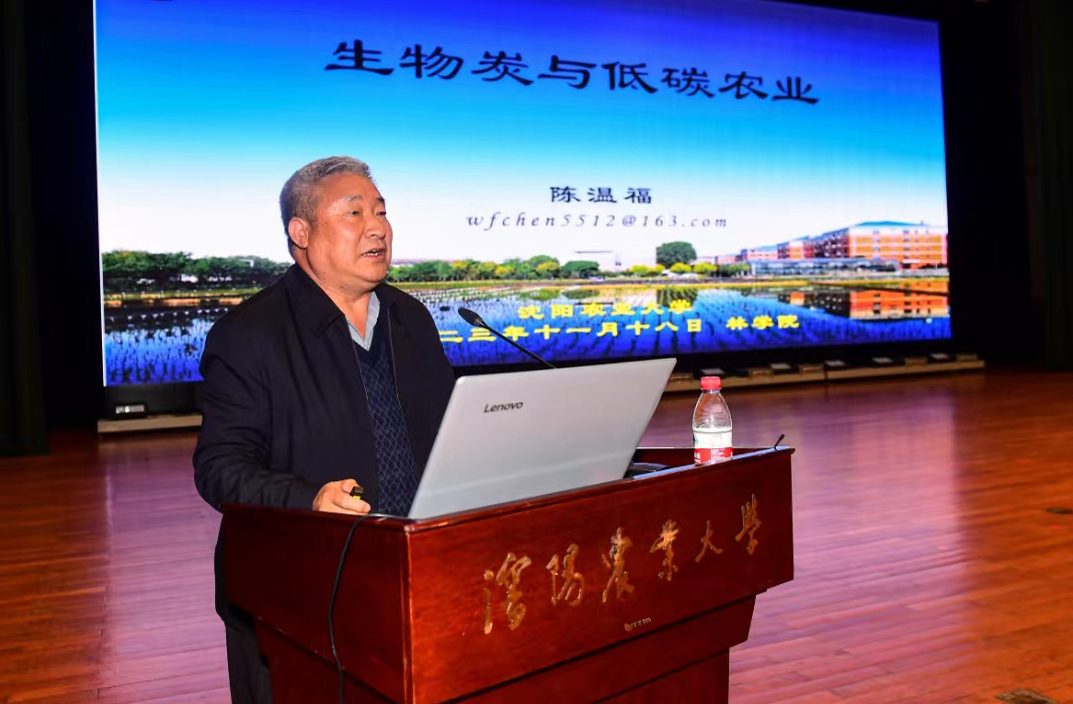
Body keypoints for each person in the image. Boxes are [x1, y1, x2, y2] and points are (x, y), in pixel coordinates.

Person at [193, 156, 455, 703]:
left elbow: (443, 433)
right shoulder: (249, 334)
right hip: (297, 596)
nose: (377, 227)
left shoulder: (411, 318)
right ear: (302, 232)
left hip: (416, 577)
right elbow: (220, 468)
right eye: (354, 213)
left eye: (381, 211)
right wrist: (308, 498)